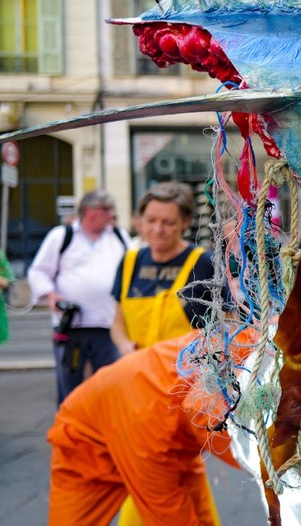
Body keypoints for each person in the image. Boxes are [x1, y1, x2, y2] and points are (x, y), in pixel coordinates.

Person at [47, 331, 238, 526]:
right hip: (90, 439)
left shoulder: (245, 343)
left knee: (198, 514)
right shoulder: (156, 431)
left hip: (163, 419)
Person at [27, 190, 128, 403]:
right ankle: (68, 432)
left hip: (109, 326)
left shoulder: (118, 236)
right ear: (90, 212)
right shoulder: (62, 236)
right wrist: (51, 294)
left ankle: (106, 432)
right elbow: (38, 271)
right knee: (70, 385)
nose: (113, 215)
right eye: (107, 210)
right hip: (72, 326)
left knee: (111, 384)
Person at [110, 182, 217, 355]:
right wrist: (124, 345)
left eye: (168, 222)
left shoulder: (203, 263)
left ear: (185, 222)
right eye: (151, 220)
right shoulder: (130, 262)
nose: (158, 230)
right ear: (140, 221)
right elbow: (118, 324)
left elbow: (228, 322)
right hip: (139, 372)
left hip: (188, 376)